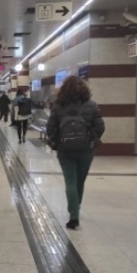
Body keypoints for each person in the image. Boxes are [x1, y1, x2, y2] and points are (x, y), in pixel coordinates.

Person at [46, 75, 105, 230]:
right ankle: (75, 207)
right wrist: (91, 140)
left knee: (70, 180)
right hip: (86, 150)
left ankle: (74, 217)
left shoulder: (58, 106)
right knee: (80, 181)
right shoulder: (92, 105)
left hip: (65, 149)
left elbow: (50, 128)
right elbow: (100, 127)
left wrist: (56, 142)